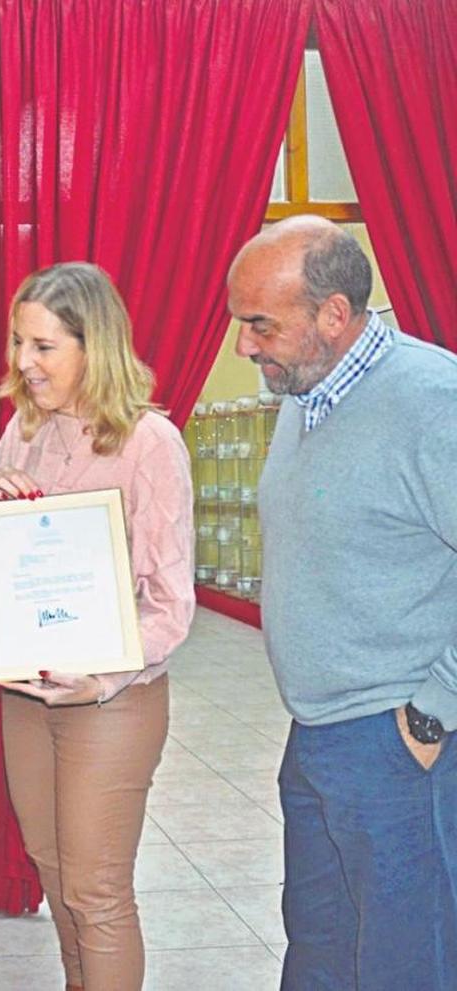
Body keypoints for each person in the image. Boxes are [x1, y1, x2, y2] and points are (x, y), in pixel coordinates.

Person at [228, 216, 457, 989]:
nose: (243, 346)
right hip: (318, 736)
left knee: (405, 960)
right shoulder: (307, 392)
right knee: (322, 950)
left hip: (399, 744)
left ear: (332, 314)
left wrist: (431, 712)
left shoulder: (432, 401)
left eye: (259, 324)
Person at [0, 262, 194, 991]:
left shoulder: (149, 443)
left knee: (96, 891)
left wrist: (102, 677)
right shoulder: (21, 432)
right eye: (18, 343)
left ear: (91, 346)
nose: (22, 362)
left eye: (43, 346)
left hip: (113, 700)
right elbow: (10, 569)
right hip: (29, 693)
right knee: (53, 869)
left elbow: (171, 602)